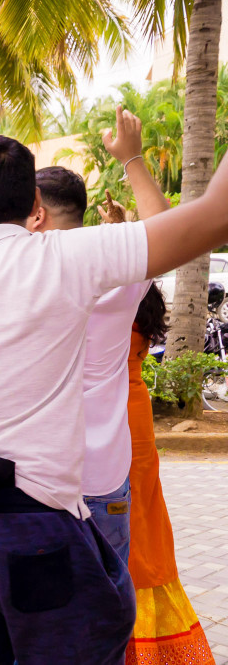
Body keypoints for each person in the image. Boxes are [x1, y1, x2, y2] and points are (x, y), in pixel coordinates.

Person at [0, 120, 228, 662]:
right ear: (33, 201)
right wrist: (131, 159)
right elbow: (212, 217)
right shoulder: (67, 258)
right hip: (30, 524)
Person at [0, 108, 170, 564]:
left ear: (37, 213)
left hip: (27, 483)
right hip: (100, 474)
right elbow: (165, 232)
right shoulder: (102, 267)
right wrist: (132, 159)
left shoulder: (8, 265)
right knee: (100, 608)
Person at [125, 285, 215, 664]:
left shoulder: (104, 294)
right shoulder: (138, 294)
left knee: (133, 514)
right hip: (133, 407)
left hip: (109, 412)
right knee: (142, 514)